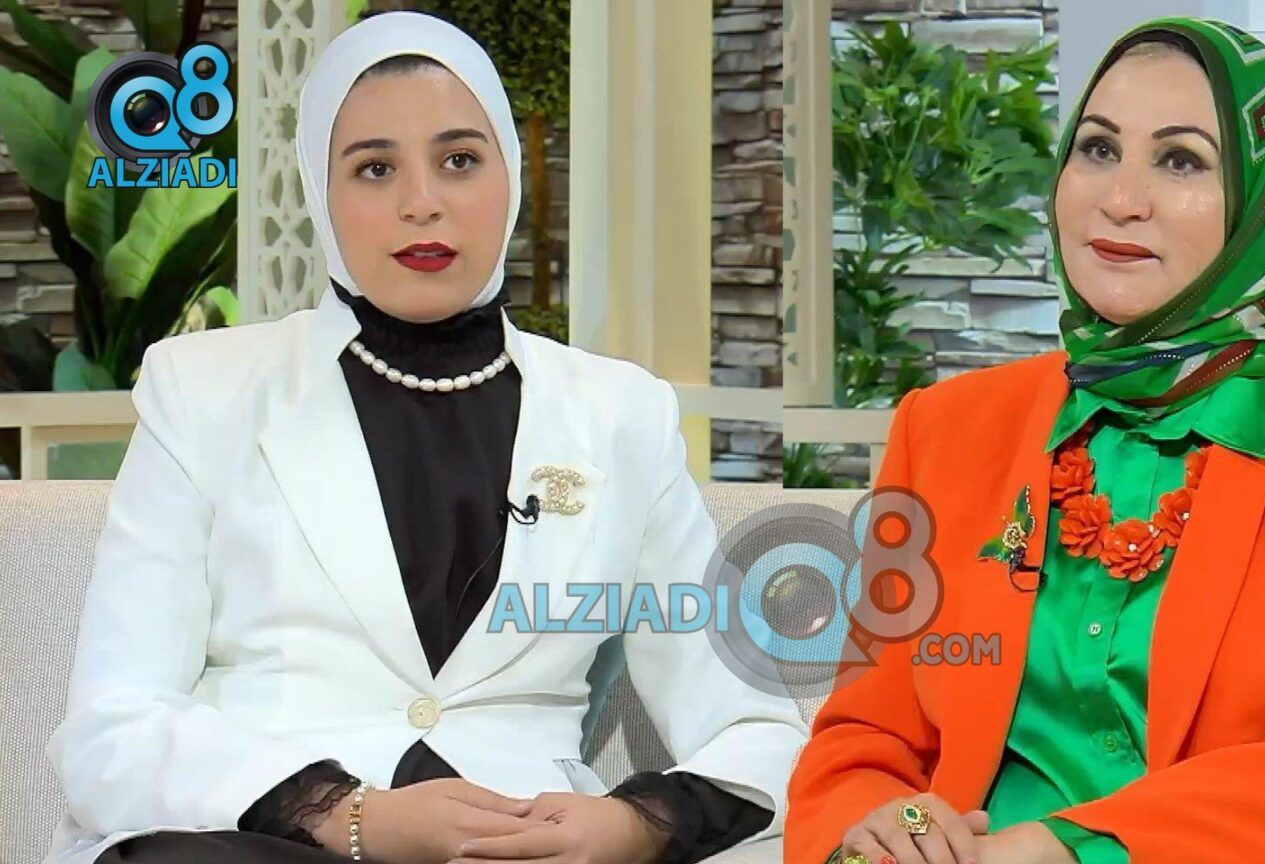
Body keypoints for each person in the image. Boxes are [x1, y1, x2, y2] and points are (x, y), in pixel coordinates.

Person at [45, 12, 807, 864]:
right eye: (374, 168)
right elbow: (113, 722)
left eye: (459, 160)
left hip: (521, 842)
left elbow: (753, 723)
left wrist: (634, 825)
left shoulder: (621, 412)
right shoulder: (203, 390)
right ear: (320, 192)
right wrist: (348, 813)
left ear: (509, 173)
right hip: (264, 839)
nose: (422, 203)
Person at [784, 17, 1265, 864]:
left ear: (1262, 201)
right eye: (1099, 149)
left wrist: (1063, 848)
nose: (1121, 199)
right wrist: (895, 832)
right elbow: (864, 742)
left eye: (1181, 161)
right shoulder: (944, 427)